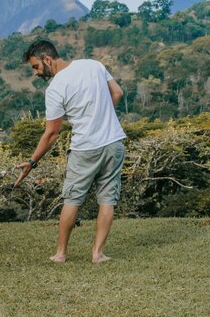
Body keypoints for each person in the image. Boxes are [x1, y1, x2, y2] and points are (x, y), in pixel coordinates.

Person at [14, 40, 126, 264]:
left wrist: (32, 162)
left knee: (72, 199)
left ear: (47, 59)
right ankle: (97, 254)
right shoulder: (93, 65)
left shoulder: (55, 88)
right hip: (113, 142)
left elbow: (52, 133)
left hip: (85, 149)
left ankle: (61, 253)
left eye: (35, 67)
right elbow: (118, 93)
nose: (36, 73)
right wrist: (102, 115)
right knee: (107, 199)